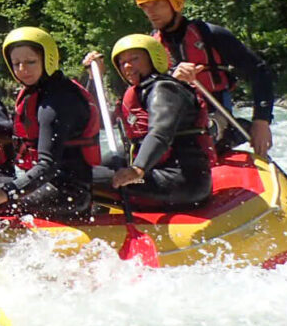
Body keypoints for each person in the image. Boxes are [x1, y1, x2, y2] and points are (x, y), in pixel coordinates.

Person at [133, 0, 274, 158]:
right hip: (174, 121)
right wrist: (171, 80)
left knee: (201, 136)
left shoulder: (212, 35)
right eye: (145, 6)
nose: (150, 11)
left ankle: (233, 132)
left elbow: (259, 71)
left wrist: (261, 121)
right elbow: (141, 91)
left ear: (175, 2)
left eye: (157, 3)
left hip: (214, 117)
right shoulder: (151, 46)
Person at [0, 27, 100, 219]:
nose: (22, 70)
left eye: (30, 62)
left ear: (47, 59)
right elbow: (23, 136)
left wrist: (6, 193)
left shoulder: (56, 102)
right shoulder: (37, 92)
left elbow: (48, 165)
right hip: (41, 182)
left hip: (66, 193)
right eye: (16, 64)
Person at [86, 35, 216, 209]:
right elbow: (97, 121)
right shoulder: (139, 92)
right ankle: (96, 213)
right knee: (90, 167)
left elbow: (160, 132)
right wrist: (94, 80)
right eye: (122, 62)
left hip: (180, 181)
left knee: (81, 178)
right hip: (157, 173)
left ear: (154, 58)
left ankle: (91, 214)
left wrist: (137, 169)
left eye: (134, 59)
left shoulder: (164, 90)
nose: (128, 66)